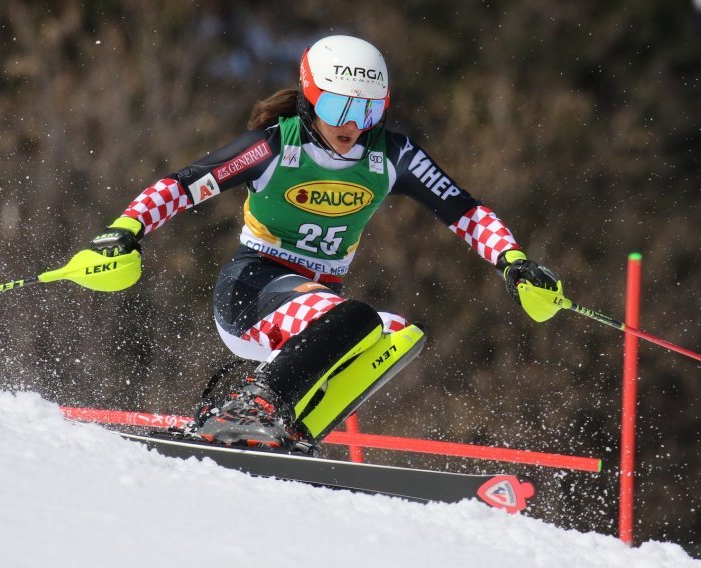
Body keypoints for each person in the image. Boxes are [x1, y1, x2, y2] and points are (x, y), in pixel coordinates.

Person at [86, 35, 559, 453]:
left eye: (368, 110)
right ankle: (248, 408)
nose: (352, 125)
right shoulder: (274, 148)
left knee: (399, 336)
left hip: (316, 308)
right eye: (338, 108)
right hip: (252, 289)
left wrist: (512, 262)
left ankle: (289, 429)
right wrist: (126, 230)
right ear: (311, 99)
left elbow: (465, 211)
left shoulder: (390, 156)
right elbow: (184, 184)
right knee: (356, 316)